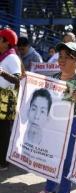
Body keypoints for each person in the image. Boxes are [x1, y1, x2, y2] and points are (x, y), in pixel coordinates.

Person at [32, 42, 76, 193]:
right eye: (60, 57)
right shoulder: (55, 77)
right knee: (52, 155)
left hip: (73, 126)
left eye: (67, 57)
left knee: (66, 162)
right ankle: (49, 188)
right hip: (53, 124)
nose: (61, 61)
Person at [0, 28, 22, 171]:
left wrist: (2, 73)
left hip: (6, 98)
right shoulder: (3, 56)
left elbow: (17, 80)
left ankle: (3, 162)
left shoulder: (12, 58)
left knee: (4, 131)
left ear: (7, 43)